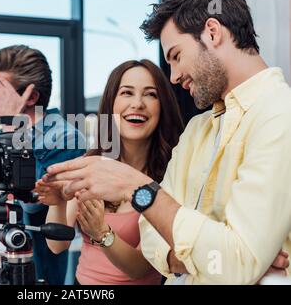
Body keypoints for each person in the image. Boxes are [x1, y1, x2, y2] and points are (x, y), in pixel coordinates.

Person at [45, 0, 291, 285]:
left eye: (176, 56)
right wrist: (213, 258)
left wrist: (138, 188)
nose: (174, 77)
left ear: (212, 32)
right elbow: (152, 244)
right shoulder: (198, 130)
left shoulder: (280, 114)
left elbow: (234, 263)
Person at [35, 59, 184, 285]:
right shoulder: (90, 164)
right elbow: (57, 246)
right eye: (126, 93)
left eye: (151, 94)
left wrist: (101, 232)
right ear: (111, 104)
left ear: (163, 106)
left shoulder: (173, 174)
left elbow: (139, 268)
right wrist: (58, 202)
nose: (138, 103)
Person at [0, 45, 85, 285]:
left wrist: (12, 125)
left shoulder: (65, 138)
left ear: (30, 97)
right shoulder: (5, 134)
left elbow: (32, 201)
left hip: (29, 277)